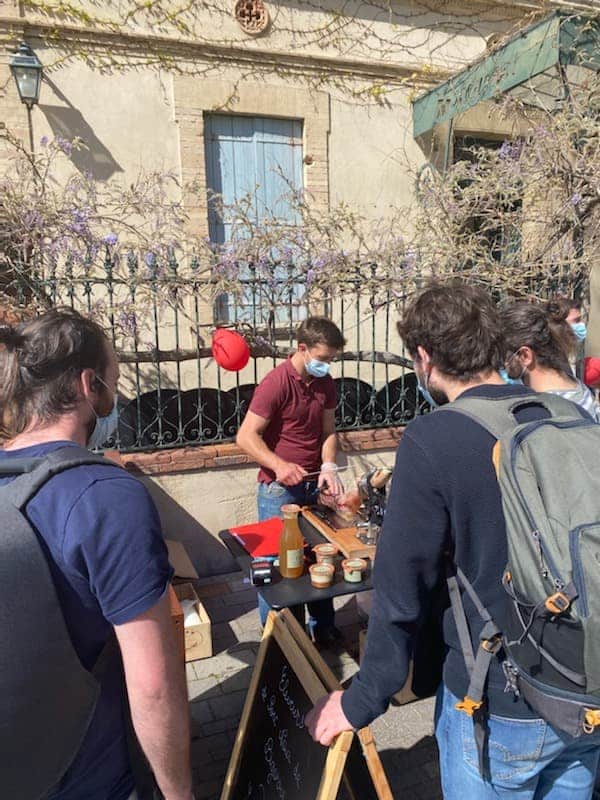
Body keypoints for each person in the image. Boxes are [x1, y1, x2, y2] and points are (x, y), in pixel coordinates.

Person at [306, 282, 600, 798]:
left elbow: (399, 595)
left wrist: (359, 702)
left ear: (424, 357)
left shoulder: (434, 437)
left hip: (498, 702)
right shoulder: (569, 415)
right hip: (585, 688)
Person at [0, 308, 193, 800]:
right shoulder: (106, 496)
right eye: (113, 380)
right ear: (90, 385)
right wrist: (178, 794)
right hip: (92, 778)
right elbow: (153, 686)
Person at [236, 316, 345, 644]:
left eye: (331, 360)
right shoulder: (276, 383)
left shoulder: (325, 383)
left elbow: (328, 431)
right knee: (273, 564)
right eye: (323, 358)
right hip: (277, 490)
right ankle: (279, 639)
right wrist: (279, 465)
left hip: (313, 485)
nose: (327, 365)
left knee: (319, 555)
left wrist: (328, 465)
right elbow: (245, 436)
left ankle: (323, 630)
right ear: (302, 348)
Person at [500, 299, 600, 422]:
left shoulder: (542, 415)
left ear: (525, 356)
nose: (503, 363)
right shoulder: (578, 389)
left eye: (504, 355)